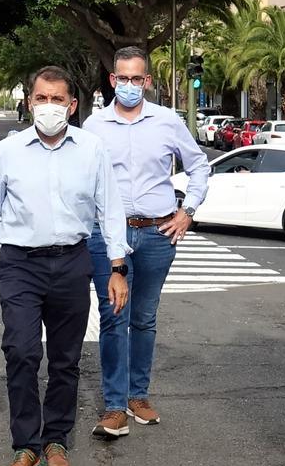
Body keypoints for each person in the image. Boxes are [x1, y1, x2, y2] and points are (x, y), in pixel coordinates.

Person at [0, 66, 130, 466]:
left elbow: (110, 209)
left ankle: (56, 440)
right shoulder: (8, 150)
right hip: (20, 263)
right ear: (29, 102)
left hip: (73, 262)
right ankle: (26, 446)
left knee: (65, 358)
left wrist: (117, 269)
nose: (48, 107)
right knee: (21, 352)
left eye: (57, 99)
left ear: (72, 105)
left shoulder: (92, 149)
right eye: (41, 98)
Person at [81, 46, 209, 439]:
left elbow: (199, 164)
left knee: (144, 318)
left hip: (157, 232)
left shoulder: (167, 121)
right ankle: (115, 405)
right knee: (113, 317)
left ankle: (138, 395)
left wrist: (187, 211)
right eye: (123, 78)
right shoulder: (94, 126)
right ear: (112, 80)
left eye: (138, 78)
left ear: (148, 81)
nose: (130, 85)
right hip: (108, 236)